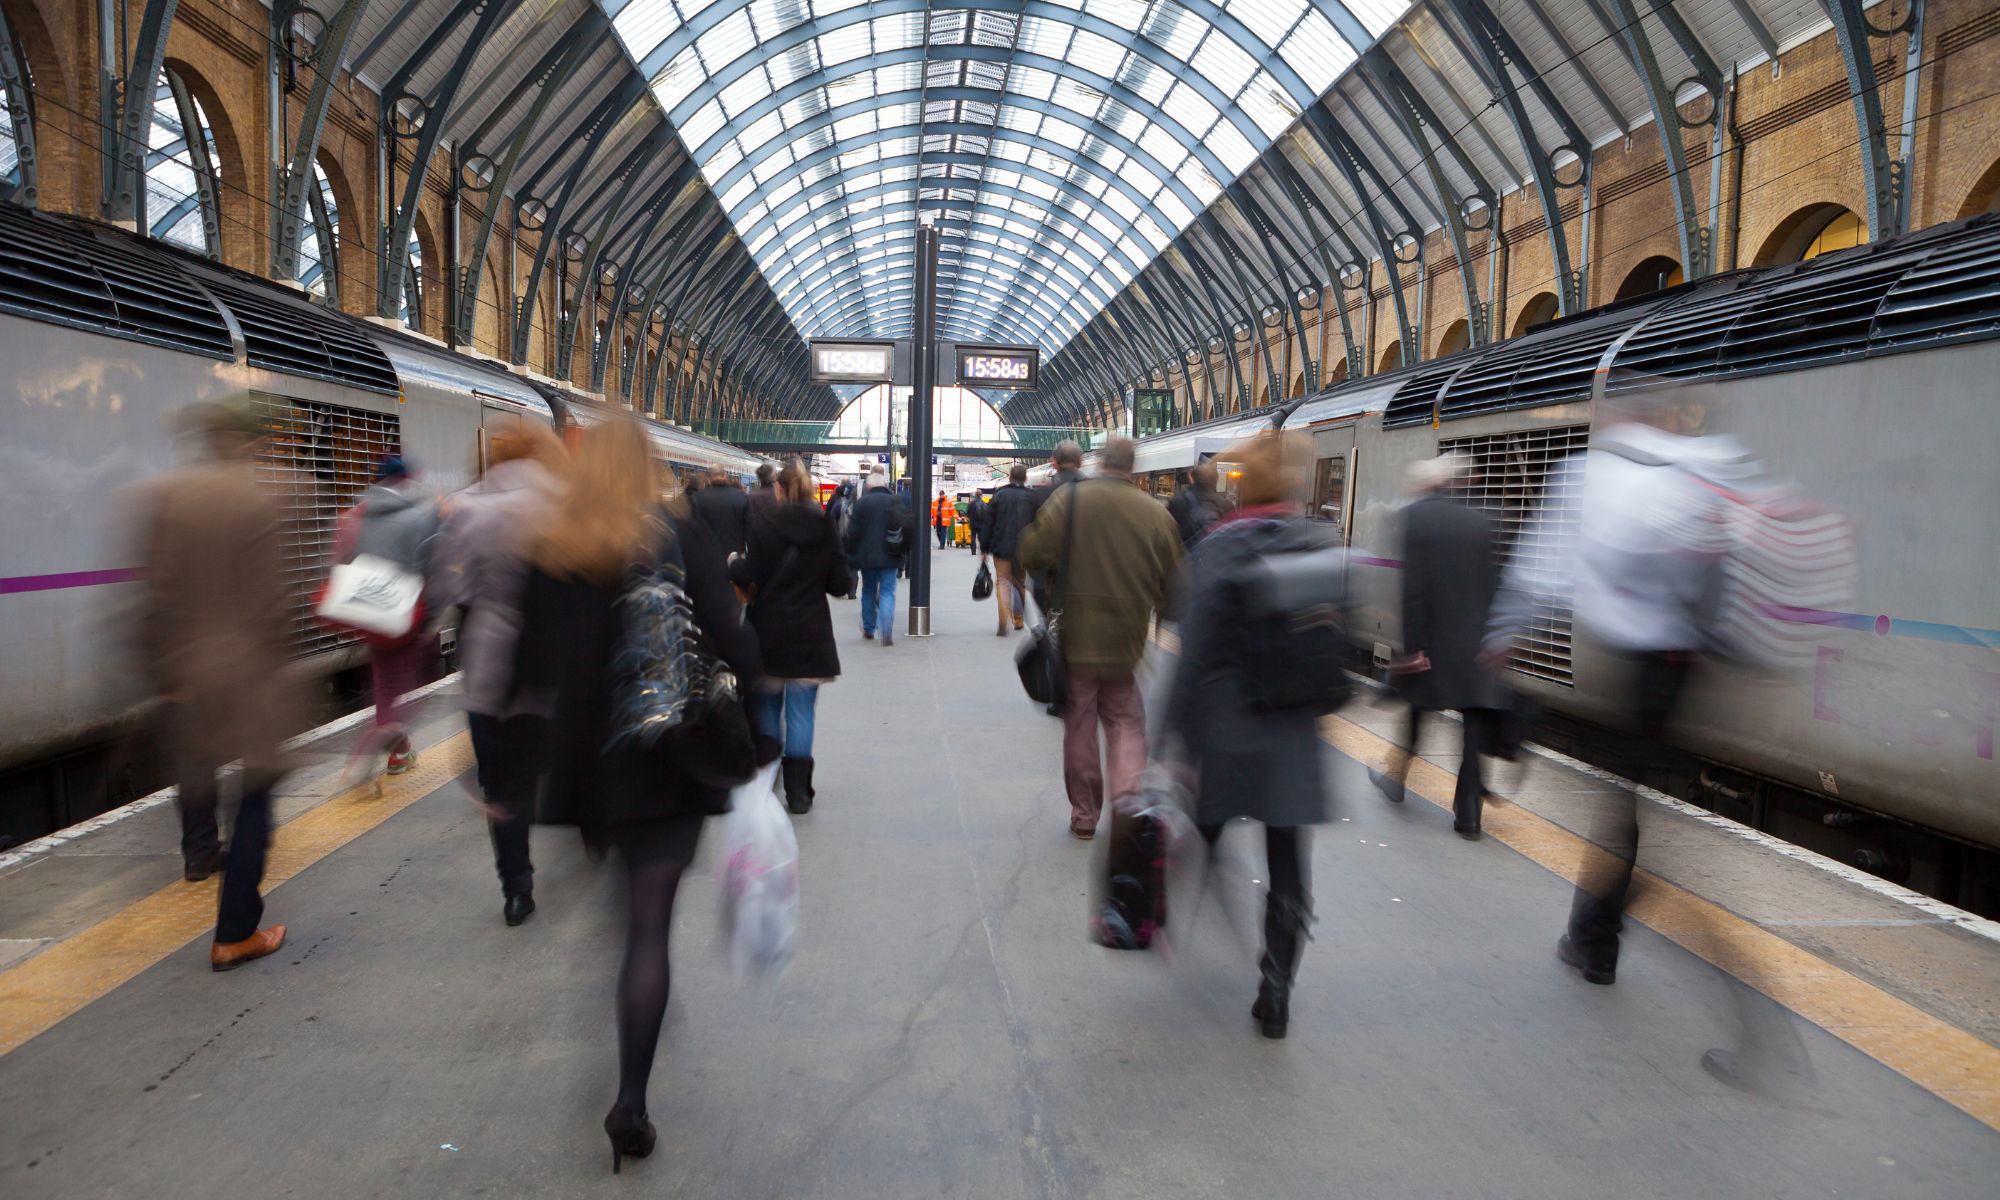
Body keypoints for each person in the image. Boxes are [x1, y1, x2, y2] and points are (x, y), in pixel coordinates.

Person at [511, 416, 763, 1173]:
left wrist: (506, 775)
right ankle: (630, 1100)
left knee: (625, 919)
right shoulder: (675, 541)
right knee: (650, 927)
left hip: (592, 771)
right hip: (668, 762)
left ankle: (636, 998)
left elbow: (527, 672)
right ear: (651, 468)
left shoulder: (548, 550)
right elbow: (735, 639)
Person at [1485, 386, 1742, 986]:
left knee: (1623, 809)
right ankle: (1595, 931)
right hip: (1685, 668)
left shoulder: (1596, 474)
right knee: (1632, 804)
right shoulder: (1696, 470)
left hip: (1644, 665)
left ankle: (1595, 936)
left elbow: (1545, 564)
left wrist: (1506, 634)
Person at [1165, 431, 1333, 1039]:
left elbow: (1195, 654)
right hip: (1293, 736)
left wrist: (1173, 741)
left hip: (1227, 729)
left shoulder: (1220, 548)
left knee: (1202, 832)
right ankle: (1277, 987)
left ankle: (1162, 917)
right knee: (1288, 862)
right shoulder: (1320, 543)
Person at [135, 401, 303, 968]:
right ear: (249, 445)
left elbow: (152, 599)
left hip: (186, 668)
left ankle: (198, 854)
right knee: (256, 790)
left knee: (195, 766)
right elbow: (270, 605)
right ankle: (236, 931)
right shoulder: (259, 500)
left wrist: (162, 673)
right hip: (245, 668)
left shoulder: (165, 498)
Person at [433, 423, 566, 925]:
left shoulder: (466, 506)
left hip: (491, 667)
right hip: (553, 663)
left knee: (503, 786)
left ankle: (517, 888)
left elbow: (449, 587)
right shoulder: (565, 501)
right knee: (550, 762)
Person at [1019, 437, 1181, 838]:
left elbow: (1033, 552)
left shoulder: (1071, 502)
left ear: (1101, 463)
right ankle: (1127, 804)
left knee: (1080, 722)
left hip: (1076, 635)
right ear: (1133, 467)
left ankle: (1084, 815)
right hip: (1126, 639)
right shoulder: (1155, 514)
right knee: (1125, 721)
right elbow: (1177, 587)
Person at [1379, 454, 1509, 839]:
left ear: (1429, 484)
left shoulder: (1417, 517)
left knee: (1418, 708)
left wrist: (1413, 646)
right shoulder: (1486, 518)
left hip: (1433, 640)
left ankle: (1396, 776)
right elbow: (1494, 582)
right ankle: (1468, 813)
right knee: (1473, 726)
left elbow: (1413, 591)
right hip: (1476, 642)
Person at [730, 459, 853, 814]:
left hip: (768, 632)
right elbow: (840, 584)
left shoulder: (764, 525)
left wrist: (733, 564)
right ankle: (799, 793)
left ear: (779, 490)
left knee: (768, 708)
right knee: (802, 714)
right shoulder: (824, 527)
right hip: (809, 635)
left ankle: (767, 778)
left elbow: (748, 573)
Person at [333, 454, 441, 774]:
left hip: (371, 612)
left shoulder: (354, 516)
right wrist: (430, 613)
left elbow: (340, 563)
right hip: (408, 611)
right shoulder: (418, 518)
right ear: (405, 480)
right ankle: (388, 733)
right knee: (422, 676)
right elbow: (429, 567)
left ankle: (399, 750)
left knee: (385, 683)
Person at [843, 467, 906, 645]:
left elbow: (853, 532)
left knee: (869, 591)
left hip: (867, 557)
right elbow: (904, 527)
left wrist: (852, 554)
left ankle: (869, 629)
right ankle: (886, 633)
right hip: (890, 555)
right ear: (885, 485)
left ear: (869, 486)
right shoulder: (895, 501)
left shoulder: (862, 503)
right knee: (887, 592)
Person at [983, 464, 1039, 636]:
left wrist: (984, 547)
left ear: (1009, 477)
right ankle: (1019, 619)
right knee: (1020, 583)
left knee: (1003, 581)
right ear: (1025, 479)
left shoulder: (998, 496)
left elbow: (987, 523)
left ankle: (1003, 619)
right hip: (1024, 549)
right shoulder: (1032, 497)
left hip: (1000, 547)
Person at [689, 467, 751, 559]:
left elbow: (690, 532)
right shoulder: (742, 497)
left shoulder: (696, 498)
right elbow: (749, 530)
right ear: (725, 477)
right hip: (734, 557)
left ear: (708, 480)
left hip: (705, 558)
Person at [1166, 461, 1226, 549]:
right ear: (1216, 480)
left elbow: (1170, 533)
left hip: (1185, 555)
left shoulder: (1178, 501)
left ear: (1192, 479)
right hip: (1214, 555)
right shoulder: (1225, 504)